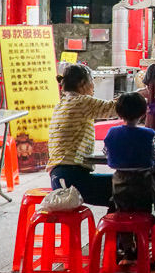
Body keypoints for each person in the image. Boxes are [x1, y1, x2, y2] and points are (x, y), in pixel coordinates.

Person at [47, 64, 118, 207]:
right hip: (72, 178)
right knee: (127, 188)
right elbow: (115, 108)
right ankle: (115, 229)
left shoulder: (61, 104)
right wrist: (140, 96)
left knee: (119, 191)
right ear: (82, 84)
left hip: (58, 177)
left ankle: (112, 227)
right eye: (92, 81)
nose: (93, 86)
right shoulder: (82, 102)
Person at [104, 92, 155, 214]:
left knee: (121, 210)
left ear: (119, 113)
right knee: (150, 207)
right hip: (143, 183)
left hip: (119, 183)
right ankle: (150, 230)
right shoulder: (150, 134)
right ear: (143, 113)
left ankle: (121, 230)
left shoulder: (112, 132)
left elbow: (107, 152)